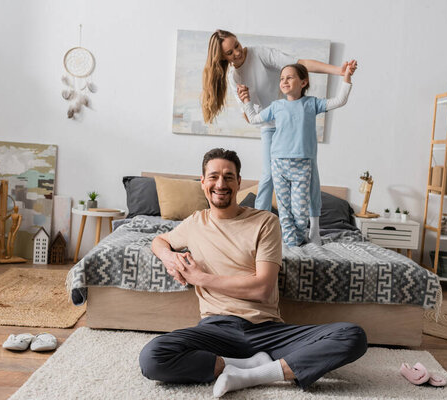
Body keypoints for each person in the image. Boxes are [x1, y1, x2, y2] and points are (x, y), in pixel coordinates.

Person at [140, 148, 367, 397]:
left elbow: (262, 288)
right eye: (213, 176)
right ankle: (248, 366)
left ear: (239, 182)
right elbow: (159, 240)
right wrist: (168, 256)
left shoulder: (266, 222)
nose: (220, 184)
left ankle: (250, 376)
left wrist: (200, 278)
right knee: (152, 357)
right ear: (202, 182)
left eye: (228, 177)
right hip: (215, 329)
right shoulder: (195, 223)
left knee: (352, 335)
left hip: (267, 331)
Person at [201, 29, 357, 245]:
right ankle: (259, 227)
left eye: (236, 45)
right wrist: (246, 100)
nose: (237, 53)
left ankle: (314, 230)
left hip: (293, 128)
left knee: (311, 179)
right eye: (230, 52)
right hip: (269, 125)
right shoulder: (235, 76)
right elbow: (251, 118)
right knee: (268, 177)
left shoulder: (261, 54)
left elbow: (301, 64)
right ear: (222, 57)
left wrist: (339, 72)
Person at [239, 63, 353, 246]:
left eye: (289, 77)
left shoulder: (312, 104)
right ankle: (291, 243)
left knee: (300, 211)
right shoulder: (277, 106)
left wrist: (346, 77)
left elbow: (340, 100)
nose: (284, 81)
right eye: (282, 78)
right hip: (279, 164)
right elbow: (253, 119)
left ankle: (296, 238)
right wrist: (246, 101)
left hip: (302, 165)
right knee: (284, 210)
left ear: (303, 82)